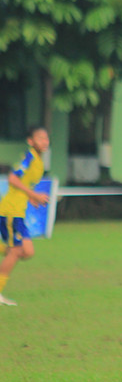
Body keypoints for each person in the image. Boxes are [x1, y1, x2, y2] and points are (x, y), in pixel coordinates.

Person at [0, 125, 50, 307]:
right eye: (40, 138)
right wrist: (34, 194)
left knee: (27, 252)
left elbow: (22, 184)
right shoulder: (29, 157)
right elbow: (12, 179)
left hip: (17, 212)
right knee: (15, 251)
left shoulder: (38, 160)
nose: (44, 141)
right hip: (10, 211)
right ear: (31, 141)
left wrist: (32, 197)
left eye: (46, 138)